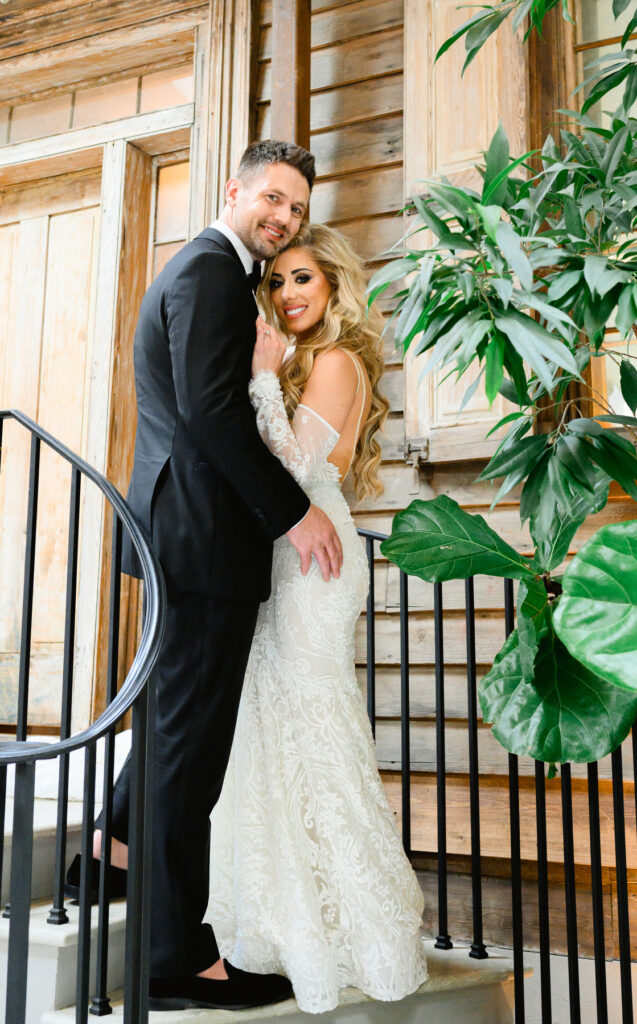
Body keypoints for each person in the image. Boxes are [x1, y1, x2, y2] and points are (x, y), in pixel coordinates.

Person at [66, 141, 344, 1013]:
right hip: (202, 538)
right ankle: (176, 958)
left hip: (190, 537)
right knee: (191, 750)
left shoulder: (213, 272)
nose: (283, 218)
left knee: (176, 729)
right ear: (236, 189)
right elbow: (212, 412)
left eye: (296, 209)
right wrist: (294, 513)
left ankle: (113, 862)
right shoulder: (210, 272)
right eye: (273, 198)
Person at [207, 223, 428, 1014]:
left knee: (314, 718)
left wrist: (263, 380)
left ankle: (354, 926)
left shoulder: (336, 361)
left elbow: (298, 467)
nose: (289, 294)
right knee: (270, 725)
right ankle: (278, 920)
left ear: (333, 285)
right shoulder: (303, 361)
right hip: (284, 551)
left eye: (304, 279)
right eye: (278, 283)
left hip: (314, 559)